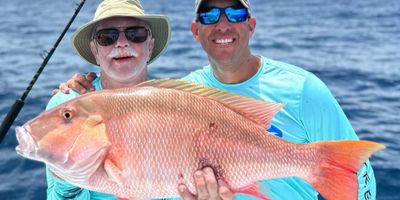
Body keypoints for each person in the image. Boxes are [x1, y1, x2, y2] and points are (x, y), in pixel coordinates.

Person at [58, 0, 378, 199]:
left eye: (235, 12)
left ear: (251, 25)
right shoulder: (183, 93)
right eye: (210, 15)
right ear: (196, 31)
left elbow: (359, 173)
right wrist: (86, 92)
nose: (223, 24)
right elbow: (145, 142)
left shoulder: (303, 88)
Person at [45, 0, 171, 199]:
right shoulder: (65, 106)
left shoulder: (176, 103)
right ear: (94, 50)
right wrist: (68, 176)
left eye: (135, 34)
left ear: (150, 46)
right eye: (107, 37)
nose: (122, 43)